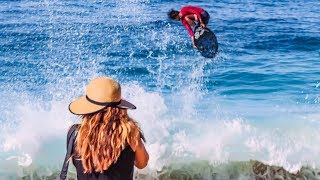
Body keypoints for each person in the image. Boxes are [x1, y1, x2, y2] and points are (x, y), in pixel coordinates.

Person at [61, 77, 149, 180]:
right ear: (119, 107)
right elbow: (142, 163)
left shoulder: (74, 132)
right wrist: (125, 118)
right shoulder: (129, 133)